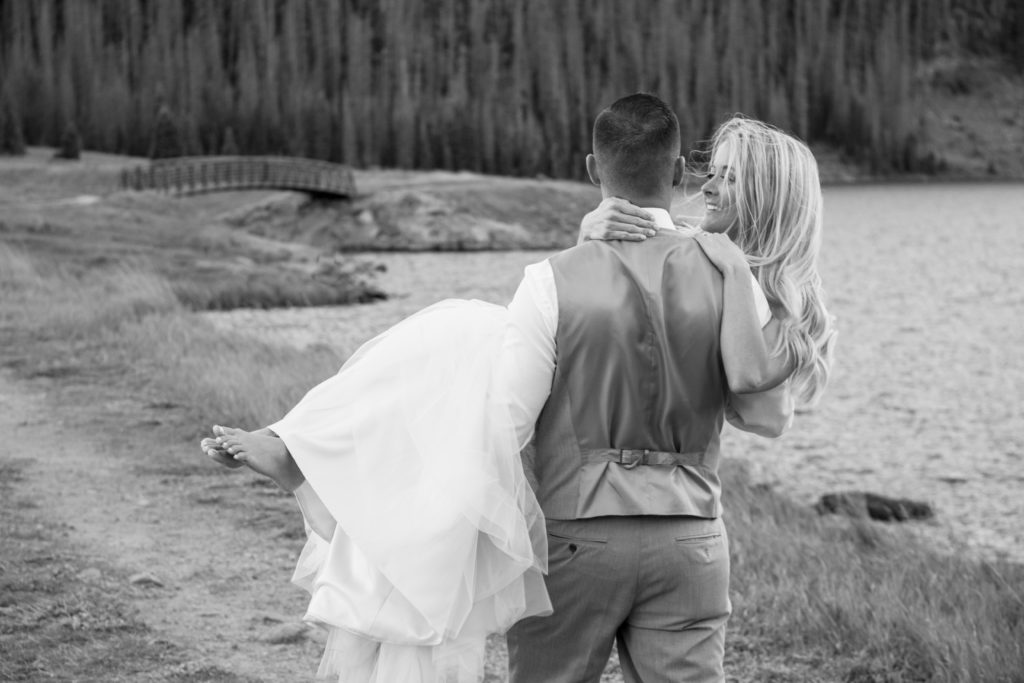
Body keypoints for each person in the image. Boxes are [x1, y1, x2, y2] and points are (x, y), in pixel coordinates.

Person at [203, 96, 834, 682]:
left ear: (594, 169)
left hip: (579, 541)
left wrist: (440, 526)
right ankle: (302, 452)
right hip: (692, 541)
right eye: (704, 170)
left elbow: (505, 423)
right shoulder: (735, 283)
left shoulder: (555, 278)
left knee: (463, 330)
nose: (709, 181)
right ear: (676, 172)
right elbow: (763, 414)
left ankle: (309, 454)